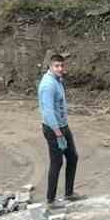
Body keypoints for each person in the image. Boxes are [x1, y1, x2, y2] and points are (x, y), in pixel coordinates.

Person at [38, 52, 81, 205]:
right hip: (52, 128)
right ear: (50, 67)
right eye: (56, 66)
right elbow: (48, 112)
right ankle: (51, 199)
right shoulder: (48, 85)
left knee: (73, 157)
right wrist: (58, 134)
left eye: (62, 66)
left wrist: (63, 130)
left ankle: (69, 193)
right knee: (56, 162)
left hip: (63, 126)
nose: (60, 68)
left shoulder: (57, 80)